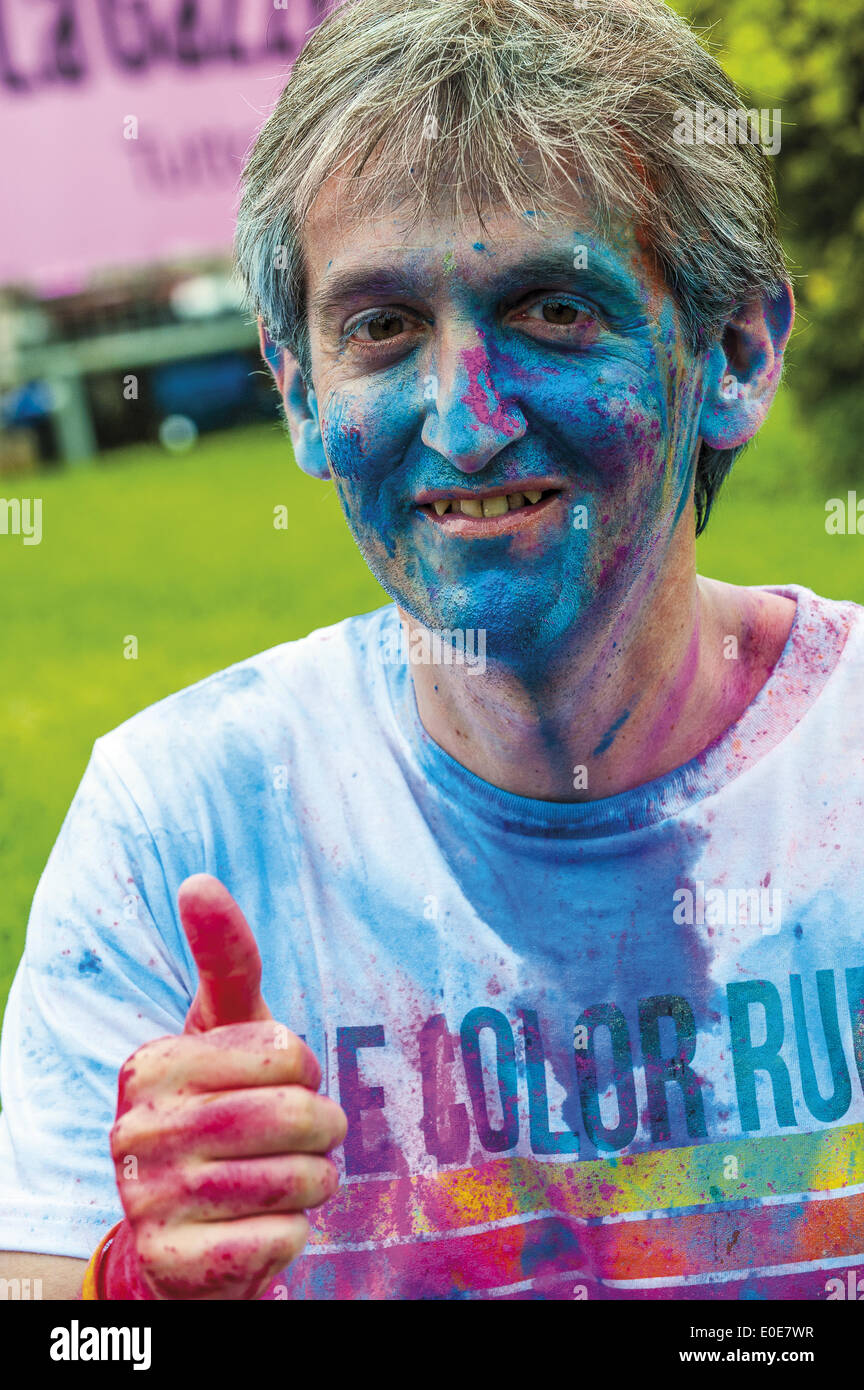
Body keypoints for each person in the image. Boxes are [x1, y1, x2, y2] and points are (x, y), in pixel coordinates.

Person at [1, 0, 862, 1302]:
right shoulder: (180, 825)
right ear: (299, 391)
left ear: (735, 353)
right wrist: (140, 1295)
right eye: (383, 327)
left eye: (553, 308)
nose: (466, 422)